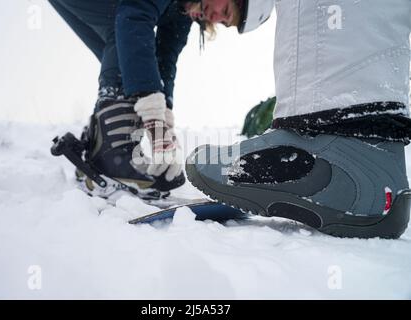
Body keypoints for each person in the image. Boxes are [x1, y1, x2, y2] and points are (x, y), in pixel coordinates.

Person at [186, 0, 411, 238]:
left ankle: (328, 141)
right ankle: (372, 167)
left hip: (318, 127)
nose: (212, 16)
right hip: (389, 166)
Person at [48, 0, 246, 197]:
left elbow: (164, 60)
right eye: (225, 10)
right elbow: (133, 17)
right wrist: (153, 119)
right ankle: (110, 158)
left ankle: (101, 151)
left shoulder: (183, 12)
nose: (216, 19)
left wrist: (165, 125)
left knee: (130, 58)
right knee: (127, 34)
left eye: (224, 22)